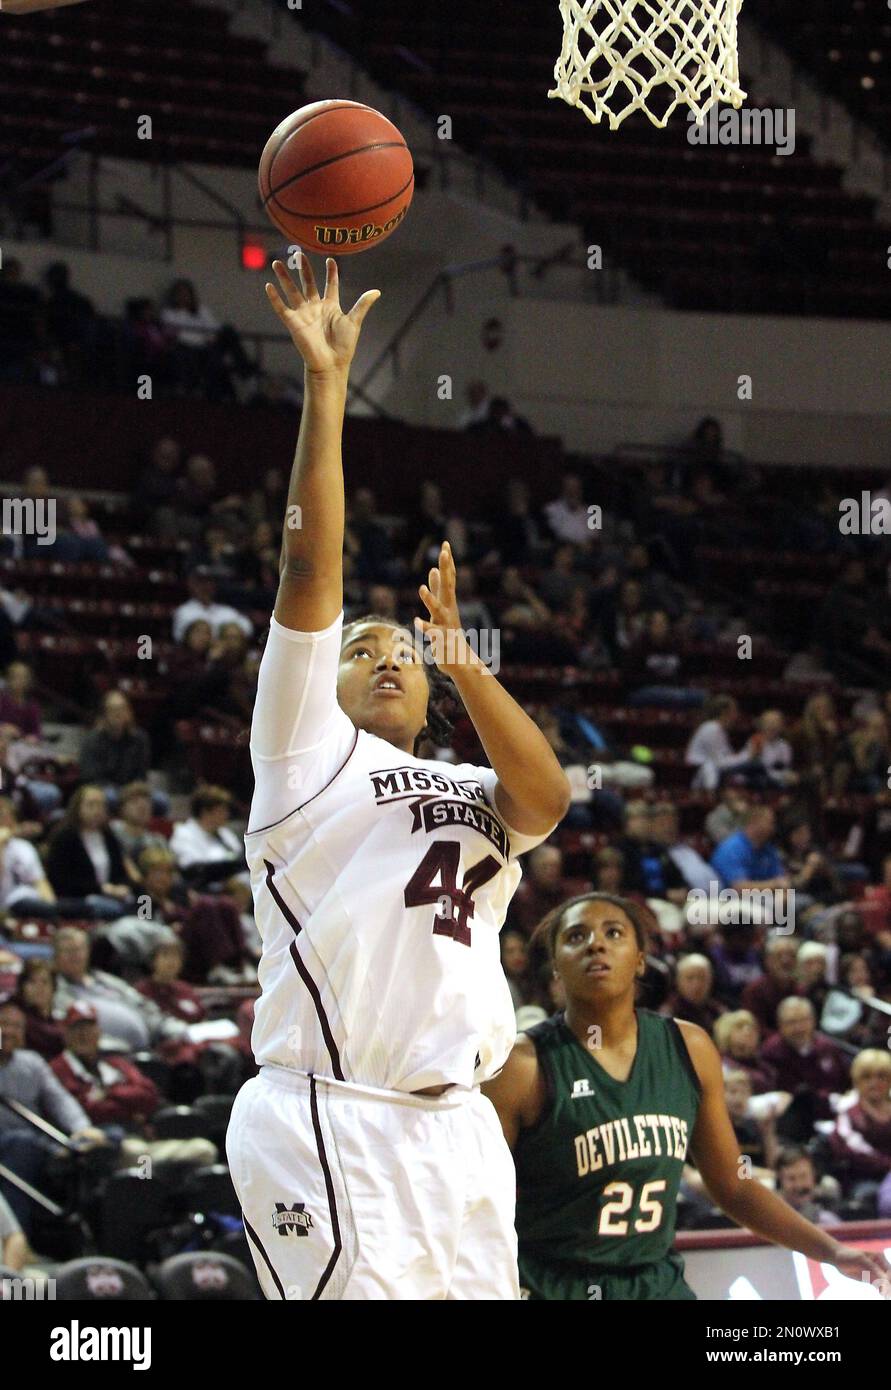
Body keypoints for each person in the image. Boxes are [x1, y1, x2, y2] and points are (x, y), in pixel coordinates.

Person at [225, 254, 570, 1302]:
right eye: (361, 650)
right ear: (322, 681)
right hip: (330, 1105)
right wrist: (327, 392)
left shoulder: (474, 787)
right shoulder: (303, 754)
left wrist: (463, 658)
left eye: (403, 654)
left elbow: (546, 797)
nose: (384, 659)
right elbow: (307, 571)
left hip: (456, 1127)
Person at [481, 892, 888, 1300]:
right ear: (555, 966)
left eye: (613, 932)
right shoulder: (521, 1066)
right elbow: (474, 1199)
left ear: (640, 958)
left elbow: (734, 1184)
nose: (596, 944)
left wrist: (831, 1250)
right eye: (576, 936)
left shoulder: (688, 1048)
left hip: (658, 1285)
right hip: (553, 1286)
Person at [45, 786, 135, 921]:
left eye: (101, 805)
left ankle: (147, 923)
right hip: (80, 899)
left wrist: (122, 887)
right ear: (78, 807)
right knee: (106, 907)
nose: (97, 810)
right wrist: (102, 889)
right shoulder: (64, 837)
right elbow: (60, 880)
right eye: (91, 805)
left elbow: (120, 871)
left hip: (112, 895)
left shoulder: (109, 837)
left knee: (145, 899)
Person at [760, 997, 850, 1121]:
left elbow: (847, 1080)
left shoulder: (827, 1047)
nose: (799, 1028)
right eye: (791, 1022)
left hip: (840, 1112)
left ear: (813, 1021)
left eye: (803, 1020)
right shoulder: (772, 1052)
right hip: (798, 1119)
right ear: (780, 1025)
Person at [169, 786, 244, 890]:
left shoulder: (226, 834)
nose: (227, 814)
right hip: (202, 889)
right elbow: (192, 868)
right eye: (221, 810)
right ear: (205, 811)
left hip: (233, 884)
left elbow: (238, 859)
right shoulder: (184, 834)